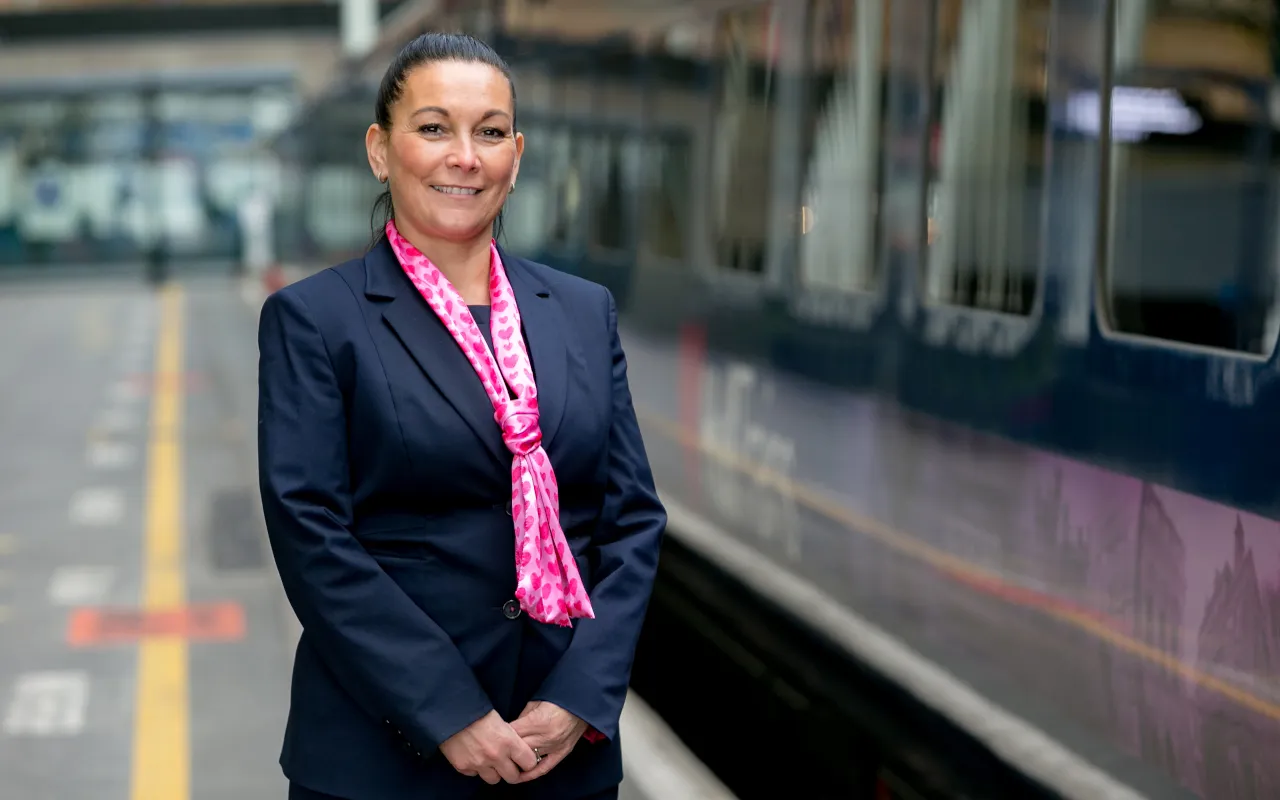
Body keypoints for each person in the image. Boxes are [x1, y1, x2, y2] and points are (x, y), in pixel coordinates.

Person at [256, 31, 667, 800]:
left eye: (490, 132)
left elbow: (632, 520)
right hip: (383, 759)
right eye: (434, 127)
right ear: (380, 150)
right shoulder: (317, 320)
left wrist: (578, 699)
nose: (465, 157)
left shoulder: (582, 312)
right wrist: (450, 712)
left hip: (559, 762)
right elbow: (312, 535)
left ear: (517, 154)